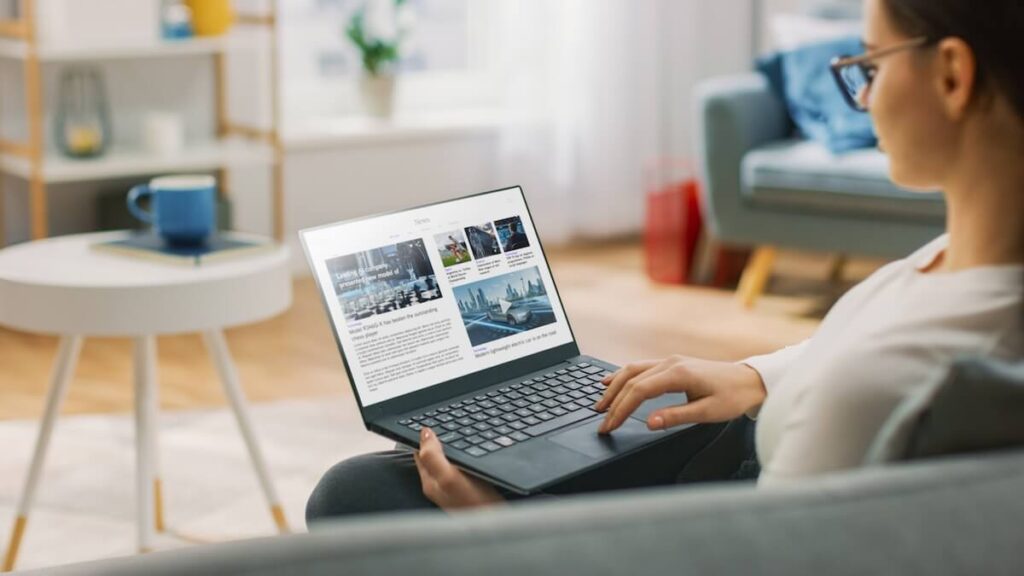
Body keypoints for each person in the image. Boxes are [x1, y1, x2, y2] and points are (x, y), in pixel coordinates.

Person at [305, 0, 1024, 519]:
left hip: (730, 497)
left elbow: (744, 561)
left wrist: (496, 532)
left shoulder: (889, 384)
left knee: (353, 497)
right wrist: (751, 375)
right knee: (379, 483)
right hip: (743, 438)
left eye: (868, 64)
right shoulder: (964, 264)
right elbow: (860, 344)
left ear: (953, 75)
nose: (861, 95)